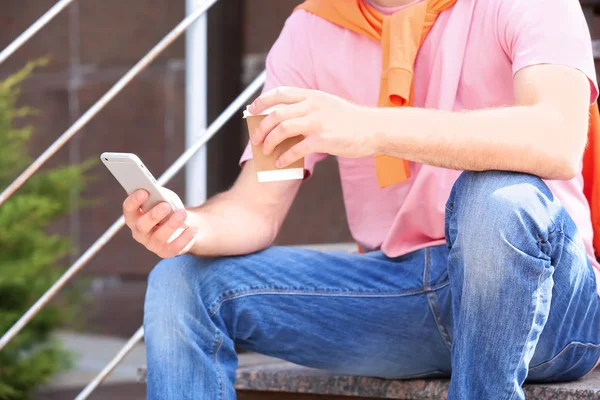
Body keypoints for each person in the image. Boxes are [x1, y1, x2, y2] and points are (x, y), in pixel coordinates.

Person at [123, 0, 600, 398]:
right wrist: (188, 225)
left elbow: (556, 139)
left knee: (494, 198)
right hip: (404, 295)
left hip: (547, 299)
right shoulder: (312, 30)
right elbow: (255, 208)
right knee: (181, 281)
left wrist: (367, 128)